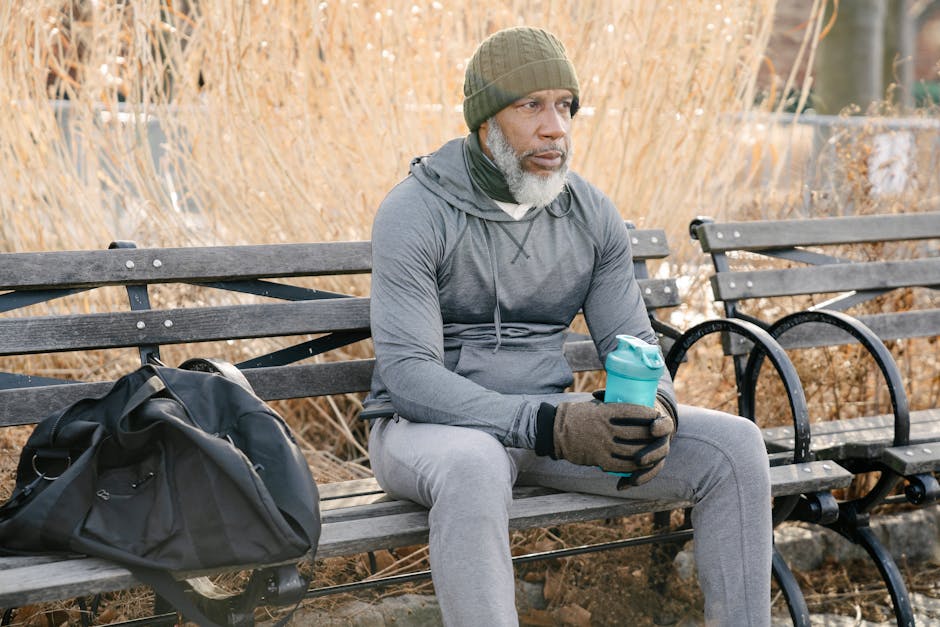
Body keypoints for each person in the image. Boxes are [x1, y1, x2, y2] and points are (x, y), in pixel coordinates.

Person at [363, 26, 771, 626]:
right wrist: (547, 423)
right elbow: (408, 376)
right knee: (475, 463)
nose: (556, 126)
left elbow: (633, 343)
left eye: (564, 105)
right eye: (530, 105)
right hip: (425, 431)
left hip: (549, 430)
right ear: (484, 122)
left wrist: (658, 407)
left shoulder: (589, 212)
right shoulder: (415, 211)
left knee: (735, 448)